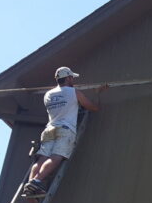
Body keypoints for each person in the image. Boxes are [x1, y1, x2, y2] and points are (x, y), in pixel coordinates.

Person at [22, 66, 107, 196]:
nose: (73, 79)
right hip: (65, 129)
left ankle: (30, 185)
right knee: (56, 157)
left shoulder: (48, 94)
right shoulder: (73, 92)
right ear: (67, 78)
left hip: (49, 129)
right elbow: (93, 107)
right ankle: (36, 181)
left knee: (42, 159)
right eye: (72, 77)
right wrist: (98, 93)